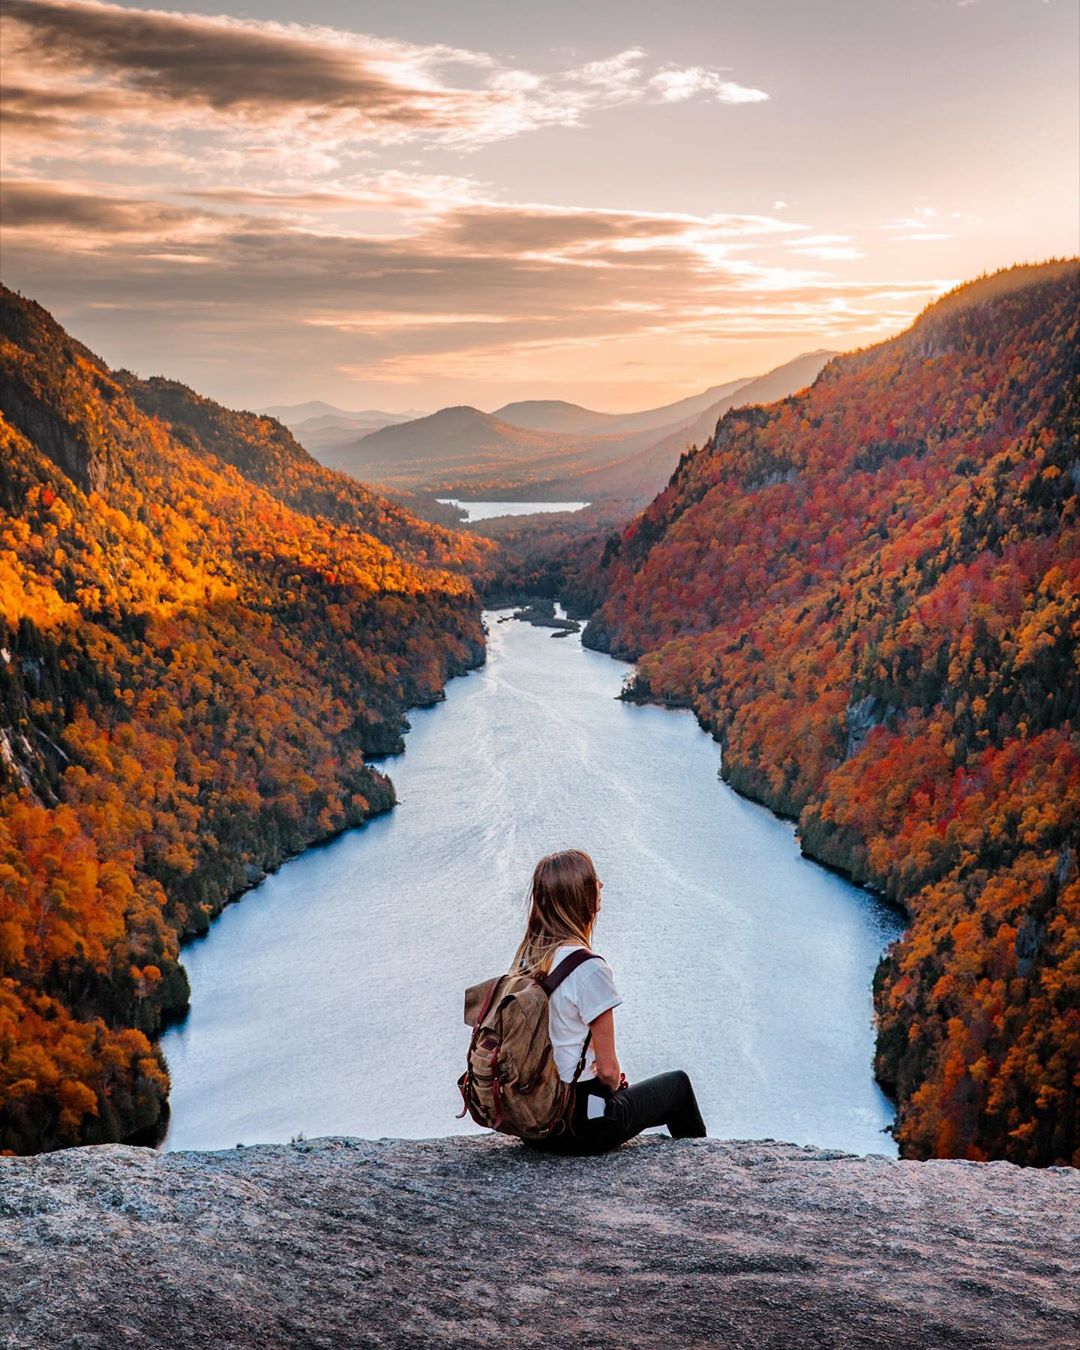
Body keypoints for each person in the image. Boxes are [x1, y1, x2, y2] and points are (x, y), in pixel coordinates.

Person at [512, 848, 707, 1155]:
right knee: (677, 1086)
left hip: (536, 1121)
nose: (601, 886)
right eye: (594, 881)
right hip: (583, 1125)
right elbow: (607, 1071)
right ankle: (699, 1167)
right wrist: (615, 1085)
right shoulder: (588, 968)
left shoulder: (529, 959)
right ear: (580, 898)